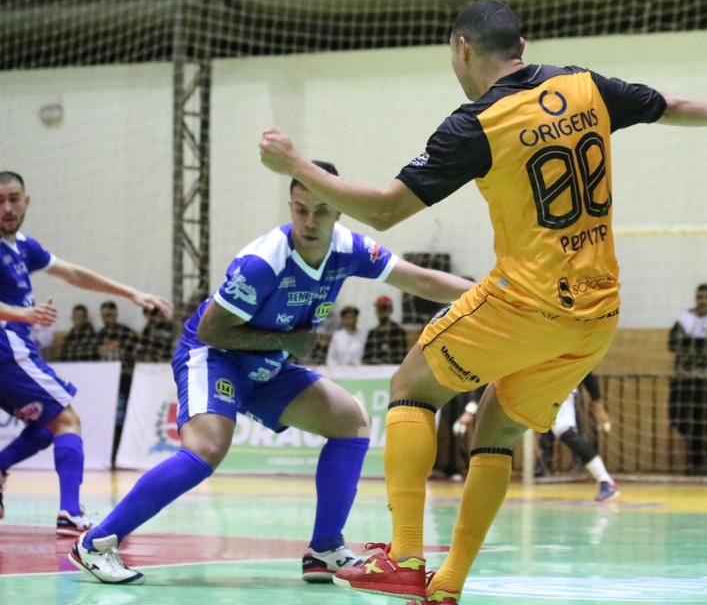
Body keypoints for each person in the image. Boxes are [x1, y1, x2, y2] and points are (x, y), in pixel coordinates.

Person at [258, 0, 707, 605]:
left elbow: (384, 209)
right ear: (521, 45)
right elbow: (669, 105)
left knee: (412, 389)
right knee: (495, 431)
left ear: (463, 49)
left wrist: (294, 165)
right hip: (597, 314)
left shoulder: (476, 123)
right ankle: (446, 584)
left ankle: (404, 558)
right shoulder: (585, 87)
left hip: (526, 301)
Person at [68, 160, 473, 585]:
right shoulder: (263, 262)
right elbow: (211, 329)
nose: (309, 221)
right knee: (207, 449)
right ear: (291, 206)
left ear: (339, 210)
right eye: (300, 209)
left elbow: (421, 281)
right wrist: (284, 344)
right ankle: (96, 543)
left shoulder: (351, 250)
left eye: (320, 210)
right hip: (214, 355)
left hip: (268, 363)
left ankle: (325, 549)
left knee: (350, 421)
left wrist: (490, 290)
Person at [0, 171, 171, 533]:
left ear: (26, 201)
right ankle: (70, 512)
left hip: (14, 349)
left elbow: (75, 274)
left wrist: (130, 293)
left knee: (48, 427)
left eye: (13, 198)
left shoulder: (24, 247)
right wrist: (21, 314)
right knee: (67, 420)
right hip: (7, 348)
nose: (7, 208)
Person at [668, 284, 707, 476]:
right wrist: (700, 343)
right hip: (683, 379)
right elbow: (673, 343)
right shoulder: (684, 319)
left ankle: (697, 464)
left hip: (705, 380)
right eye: (700, 297)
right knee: (678, 418)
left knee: (701, 422)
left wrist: (689, 342)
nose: (703, 301)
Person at [549, 372, 620, 500]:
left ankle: (605, 481)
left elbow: (588, 375)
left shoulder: (568, 354)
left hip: (558, 393)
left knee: (566, 432)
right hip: (540, 392)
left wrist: (599, 408)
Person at [95, 300, 139, 457]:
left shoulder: (126, 333)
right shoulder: (98, 335)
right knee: (107, 417)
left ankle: (120, 451)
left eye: (110, 314)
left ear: (116, 314)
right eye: (104, 315)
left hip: (123, 379)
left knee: (121, 416)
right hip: (104, 382)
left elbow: (135, 354)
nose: (107, 317)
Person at [362, 295, 408, 365]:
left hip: (392, 369)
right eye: (379, 308)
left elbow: (401, 356)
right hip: (373, 370)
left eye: (384, 308)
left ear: (390, 310)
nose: (381, 311)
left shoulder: (398, 331)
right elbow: (366, 357)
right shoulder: (372, 333)